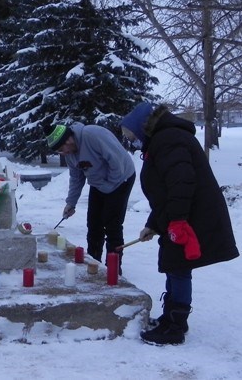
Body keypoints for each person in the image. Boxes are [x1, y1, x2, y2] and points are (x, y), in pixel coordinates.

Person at [121, 103, 239, 345]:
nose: (131, 142)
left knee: (179, 267)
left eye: (131, 137)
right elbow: (164, 191)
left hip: (190, 216)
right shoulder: (162, 140)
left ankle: (175, 327)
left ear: (141, 130)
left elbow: (181, 184)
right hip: (181, 214)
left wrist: (176, 221)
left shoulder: (169, 140)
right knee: (174, 265)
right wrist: (154, 224)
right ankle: (169, 319)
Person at [45, 122, 136, 271]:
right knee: (94, 223)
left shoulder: (92, 135)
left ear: (68, 140)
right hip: (99, 182)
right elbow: (76, 177)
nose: (64, 153)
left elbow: (117, 163)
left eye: (62, 149)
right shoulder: (70, 154)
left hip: (121, 178)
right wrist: (71, 203)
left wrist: (108, 187)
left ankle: (113, 269)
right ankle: (94, 263)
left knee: (112, 223)